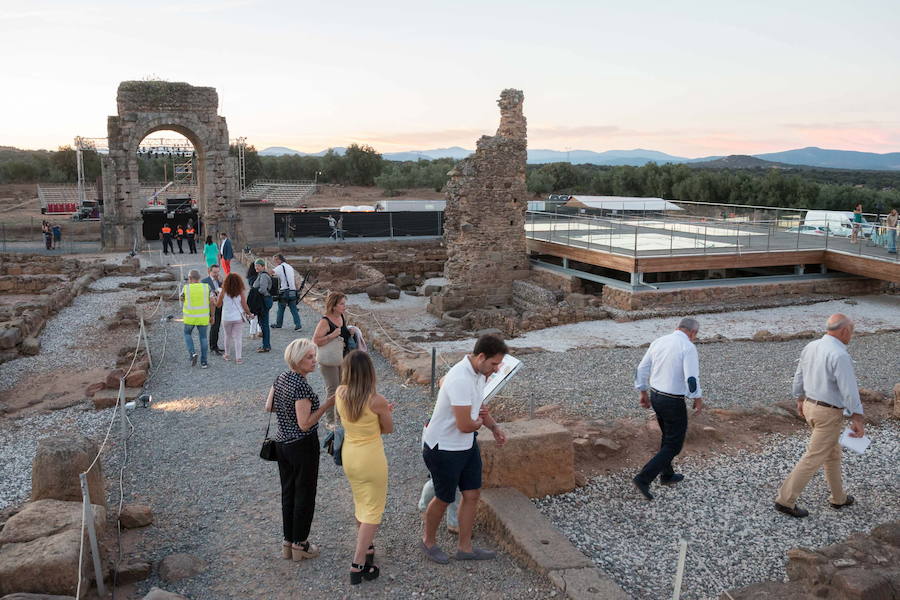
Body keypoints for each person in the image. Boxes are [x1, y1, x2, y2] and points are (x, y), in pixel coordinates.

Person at [421, 334, 508, 564]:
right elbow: (466, 424)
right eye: (494, 363)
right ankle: (428, 542)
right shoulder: (460, 378)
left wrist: (494, 427)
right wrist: (479, 424)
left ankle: (465, 548)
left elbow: (480, 407)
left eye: (498, 364)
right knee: (443, 498)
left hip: (465, 445)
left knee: (472, 494)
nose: (497, 369)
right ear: (481, 357)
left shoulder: (479, 373)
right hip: (443, 448)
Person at [774, 314, 865, 518]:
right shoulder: (840, 355)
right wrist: (857, 418)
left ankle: (838, 497)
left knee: (832, 453)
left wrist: (799, 399)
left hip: (810, 406)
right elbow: (849, 390)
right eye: (852, 331)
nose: (852, 335)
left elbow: (799, 375)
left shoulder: (811, 346)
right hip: (828, 413)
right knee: (813, 456)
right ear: (844, 331)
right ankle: (785, 500)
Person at [264, 338, 335, 562]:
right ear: (297, 359)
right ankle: (300, 544)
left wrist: (288, 410)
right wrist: (327, 404)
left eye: (314, 356)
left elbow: (269, 406)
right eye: (309, 357)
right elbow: (305, 423)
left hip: (282, 444)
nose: (314, 361)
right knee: (304, 493)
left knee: (288, 492)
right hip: (302, 446)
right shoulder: (301, 386)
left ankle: (288, 541)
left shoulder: (281, 378)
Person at [335, 350, 394, 585]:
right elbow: (387, 429)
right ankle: (358, 564)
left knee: (361, 502)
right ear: (369, 371)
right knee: (374, 510)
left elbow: (353, 423)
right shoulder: (376, 400)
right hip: (371, 458)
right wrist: (386, 413)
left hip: (350, 455)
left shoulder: (340, 393)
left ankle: (367, 548)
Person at [632, 317, 704, 501]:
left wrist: (643, 392)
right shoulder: (687, 347)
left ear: (677, 327)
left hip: (656, 395)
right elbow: (691, 379)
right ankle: (644, 478)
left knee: (667, 436)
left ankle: (667, 474)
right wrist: (697, 398)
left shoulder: (659, 341)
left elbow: (641, 369)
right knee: (674, 444)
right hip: (673, 400)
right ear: (693, 333)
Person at [312, 292, 353, 428]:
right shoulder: (325, 321)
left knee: (343, 388)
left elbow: (344, 334)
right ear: (333, 306)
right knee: (332, 390)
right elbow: (316, 341)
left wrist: (350, 331)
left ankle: (340, 417)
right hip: (329, 361)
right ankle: (329, 421)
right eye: (341, 304)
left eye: (344, 303)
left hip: (342, 358)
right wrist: (332, 336)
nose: (344, 306)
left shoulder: (341, 316)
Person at [180, 269, 213, 369]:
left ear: (190, 278)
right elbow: (212, 301)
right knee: (203, 338)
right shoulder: (207, 287)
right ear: (199, 278)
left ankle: (193, 353)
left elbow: (181, 299)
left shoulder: (186, 288)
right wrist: (212, 315)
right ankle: (204, 362)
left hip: (190, 317)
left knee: (187, 334)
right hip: (203, 317)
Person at [217, 272, 251, 364]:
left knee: (227, 336)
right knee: (238, 338)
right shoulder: (240, 292)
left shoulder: (223, 291)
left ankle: (227, 354)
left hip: (226, 317)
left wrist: (214, 299)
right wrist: (249, 313)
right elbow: (244, 305)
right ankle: (238, 358)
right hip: (237, 318)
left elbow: (218, 305)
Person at [272, 254, 302, 331]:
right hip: (292, 291)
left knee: (281, 308)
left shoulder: (279, 267)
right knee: (293, 309)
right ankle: (298, 325)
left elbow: (270, 273)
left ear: (279, 260)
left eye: (275, 260)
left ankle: (279, 324)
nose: (274, 262)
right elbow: (294, 279)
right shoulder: (290, 267)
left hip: (285, 291)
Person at [201, 265, 224, 355]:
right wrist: (214, 293)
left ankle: (215, 346)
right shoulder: (204, 282)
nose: (216, 274)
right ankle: (213, 347)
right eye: (214, 272)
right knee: (214, 327)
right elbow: (203, 296)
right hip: (210, 307)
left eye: (218, 272)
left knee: (217, 327)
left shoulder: (219, 280)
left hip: (219, 305)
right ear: (209, 271)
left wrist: (222, 283)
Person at [252, 259, 274, 353]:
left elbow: (263, 289)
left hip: (264, 300)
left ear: (263, 266)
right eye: (255, 266)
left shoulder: (264, 276)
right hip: (264, 300)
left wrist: (255, 292)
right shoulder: (261, 275)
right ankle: (266, 344)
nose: (256, 267)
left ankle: (266, 346)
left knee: (264, 324)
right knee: (262, 323)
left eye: (258, 266)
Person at [246, 262, 261, 339]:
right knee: (257, 315)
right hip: (258, 297)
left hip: (252, 297)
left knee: (255, 315)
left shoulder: (250, 277)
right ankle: (257, 331)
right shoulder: (258, 277)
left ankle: (254, 332)